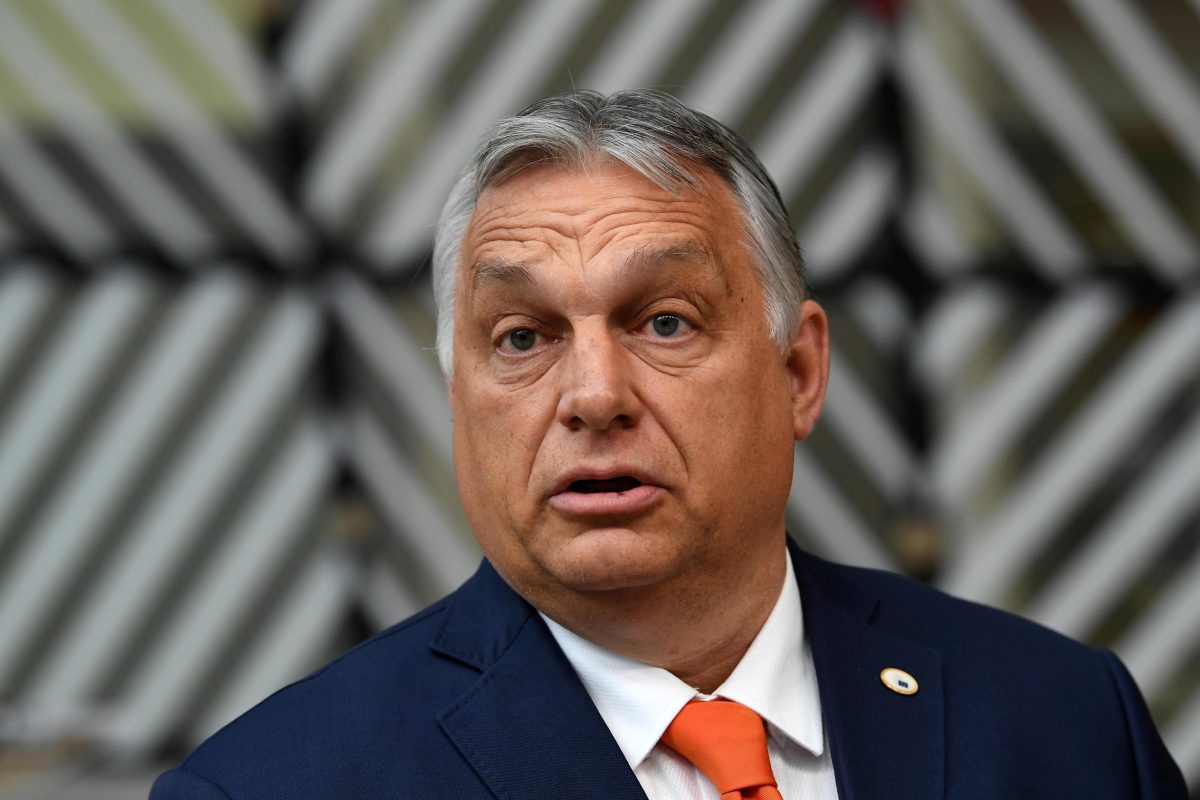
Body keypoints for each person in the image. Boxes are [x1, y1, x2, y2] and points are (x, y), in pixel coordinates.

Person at [151, 90, 1187, 799]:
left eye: (664, 322)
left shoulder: (1064, 719)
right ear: (459, 397)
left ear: (798, 372)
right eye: (523, 338)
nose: (594, 396)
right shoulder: (275, 786)